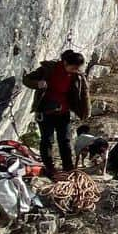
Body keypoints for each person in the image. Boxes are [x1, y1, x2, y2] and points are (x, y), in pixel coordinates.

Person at [22, 49, 90, 178]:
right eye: (73, 67)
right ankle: (49, 167)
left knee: (65, 140)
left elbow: (82, 94)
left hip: (63, 112)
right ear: (65, 63)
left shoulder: (76, 76)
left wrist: (83, 110)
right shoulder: (49, 69)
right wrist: (38, 83)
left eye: (77, 68)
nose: (75, 70)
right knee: (47, 140)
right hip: (46, 111)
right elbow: (27, 80)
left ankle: (68, 168)